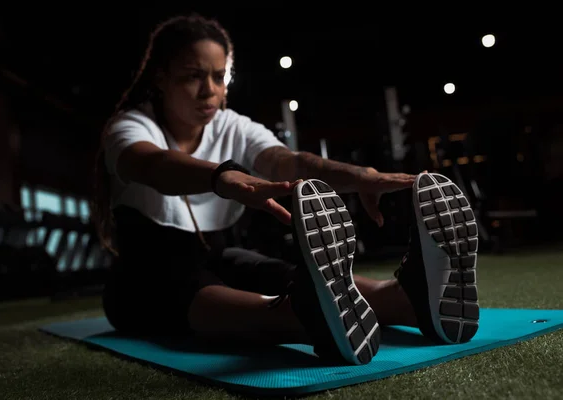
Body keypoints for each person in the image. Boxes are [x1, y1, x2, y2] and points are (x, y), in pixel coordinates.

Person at [91, 13, 480, 365]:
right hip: (141, 275)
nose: (209, 91)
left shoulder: (231, 124)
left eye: (218, 76)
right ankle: (300, 317)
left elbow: (288, 161)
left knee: (271, 269)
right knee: (183, 282)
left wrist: (357, 175)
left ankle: (404, 299)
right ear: (160, 77)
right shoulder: (130, 125)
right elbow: (150, 164)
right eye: (193, 75)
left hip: (217, 251)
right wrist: (221, 176)